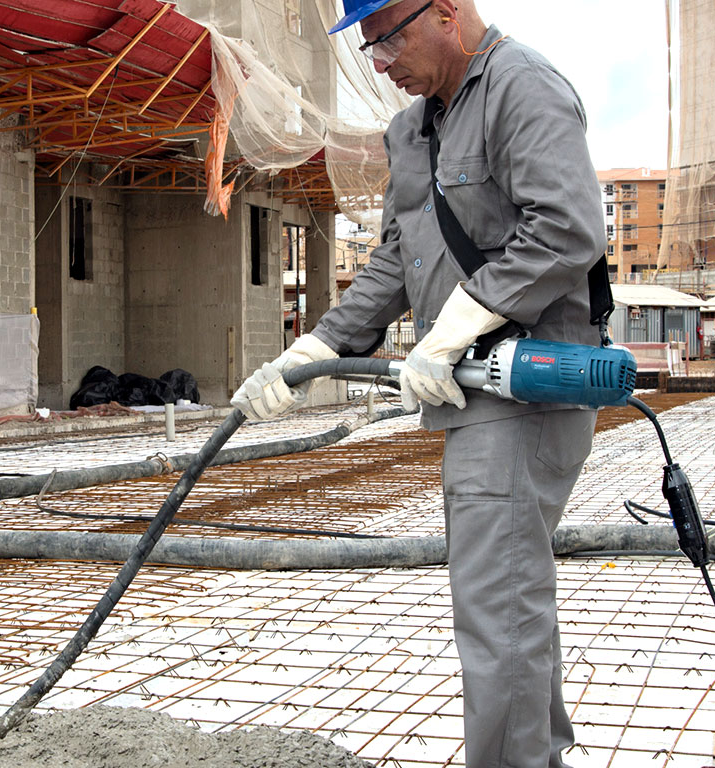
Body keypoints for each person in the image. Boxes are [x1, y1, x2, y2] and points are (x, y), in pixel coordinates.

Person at [231, 2, 604, 764]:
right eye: (367, 46)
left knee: (498, 610)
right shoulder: (412, 130)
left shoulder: (520, 88)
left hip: (525, 390)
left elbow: (567, 227)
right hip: (472, 392)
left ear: (445, 12)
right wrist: (311, 352)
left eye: (388, 38)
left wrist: (462, 320)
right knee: (508, 606)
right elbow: (394, 262)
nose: (380, 61)